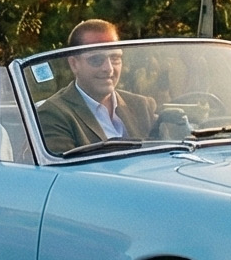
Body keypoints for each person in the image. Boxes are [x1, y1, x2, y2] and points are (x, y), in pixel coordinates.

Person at [35, 19, 160, 157]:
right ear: (74, 64)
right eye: (96, 59)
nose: (108, 68)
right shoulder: (52, 114)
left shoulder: (141, 105)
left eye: (115, 58)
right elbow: (66, 174)